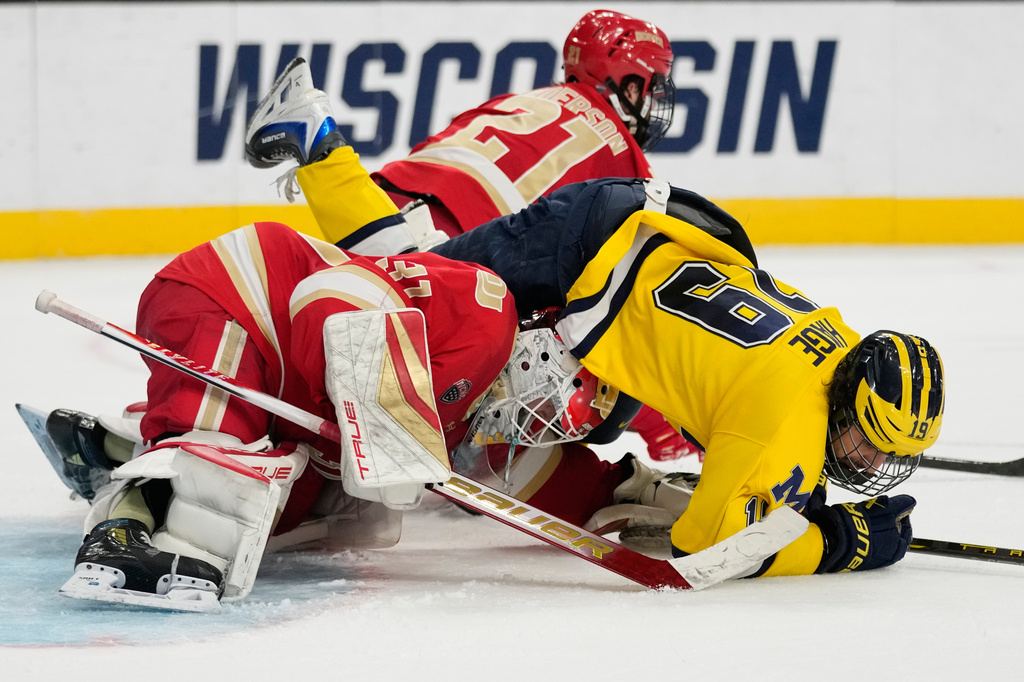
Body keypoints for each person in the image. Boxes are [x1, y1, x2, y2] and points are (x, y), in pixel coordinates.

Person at [48, 201, 689, 609]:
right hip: (238, 297)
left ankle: (121, 445)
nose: (540, 422)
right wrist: (385, 416)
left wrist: (640, 498)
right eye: (554, 403)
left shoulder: (489, 414)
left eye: (558, 426)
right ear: (546, 348)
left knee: (304, 512)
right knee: (214, 482)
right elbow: (330, 292)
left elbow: (546, 484)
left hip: (288, 395)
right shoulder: (483, 307)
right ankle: (121, 530)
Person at [244, 9, 706, 462]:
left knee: (346, 311)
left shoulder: (526, 100)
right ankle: (321, 145)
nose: (656, 101)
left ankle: (331, 168)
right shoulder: (625, 164)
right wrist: (663, 428)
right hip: (451, 246)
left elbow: (433, 153)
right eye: (655, 84)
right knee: (488, 331)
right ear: (630, 82)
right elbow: (618, 314)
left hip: (386, 202)